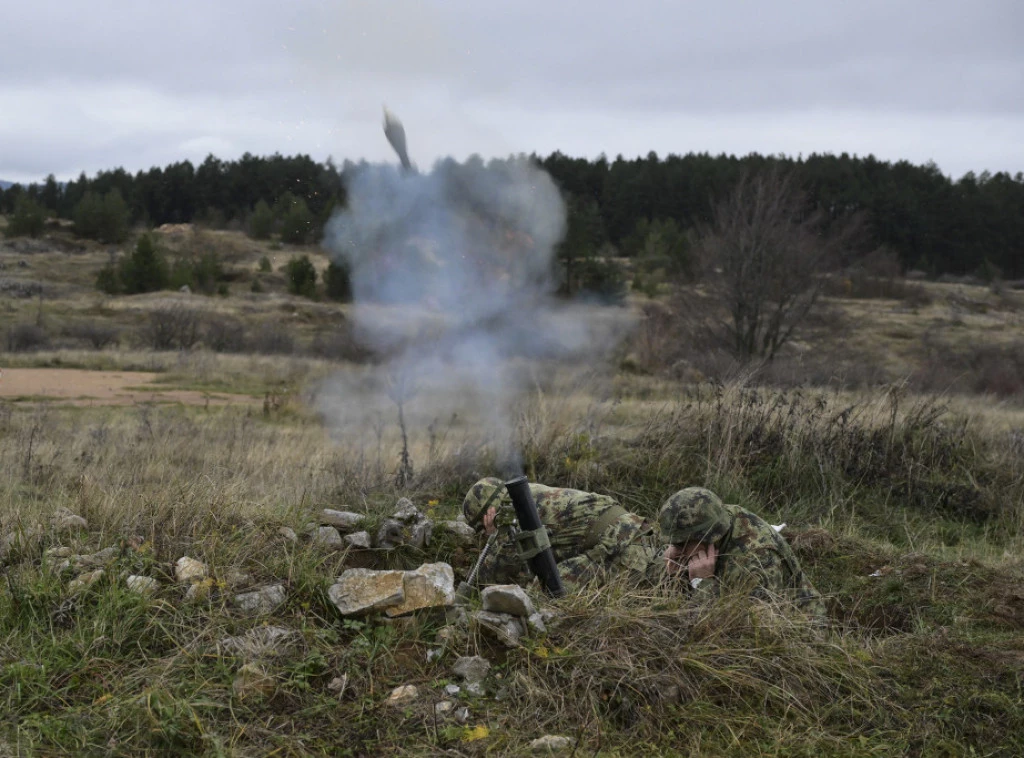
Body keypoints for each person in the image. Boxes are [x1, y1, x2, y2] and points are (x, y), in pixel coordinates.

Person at [658, 487, 827, 618]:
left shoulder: (757, 563)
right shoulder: (719, 517)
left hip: (799, 632)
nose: (675, 549)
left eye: (682, 543)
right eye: (673, 542)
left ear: (708, 536)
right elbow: (680, 609)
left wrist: (701, 583)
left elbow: (744, 633)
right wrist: (676, 576)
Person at [462, 477, 659, 587]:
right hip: (636, 530)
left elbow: (494, 575)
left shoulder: (513, 512)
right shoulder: (529, 493)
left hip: (621, 550)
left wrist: (495, 536)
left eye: (481, 528)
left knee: (542, 596)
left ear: (488, 513)